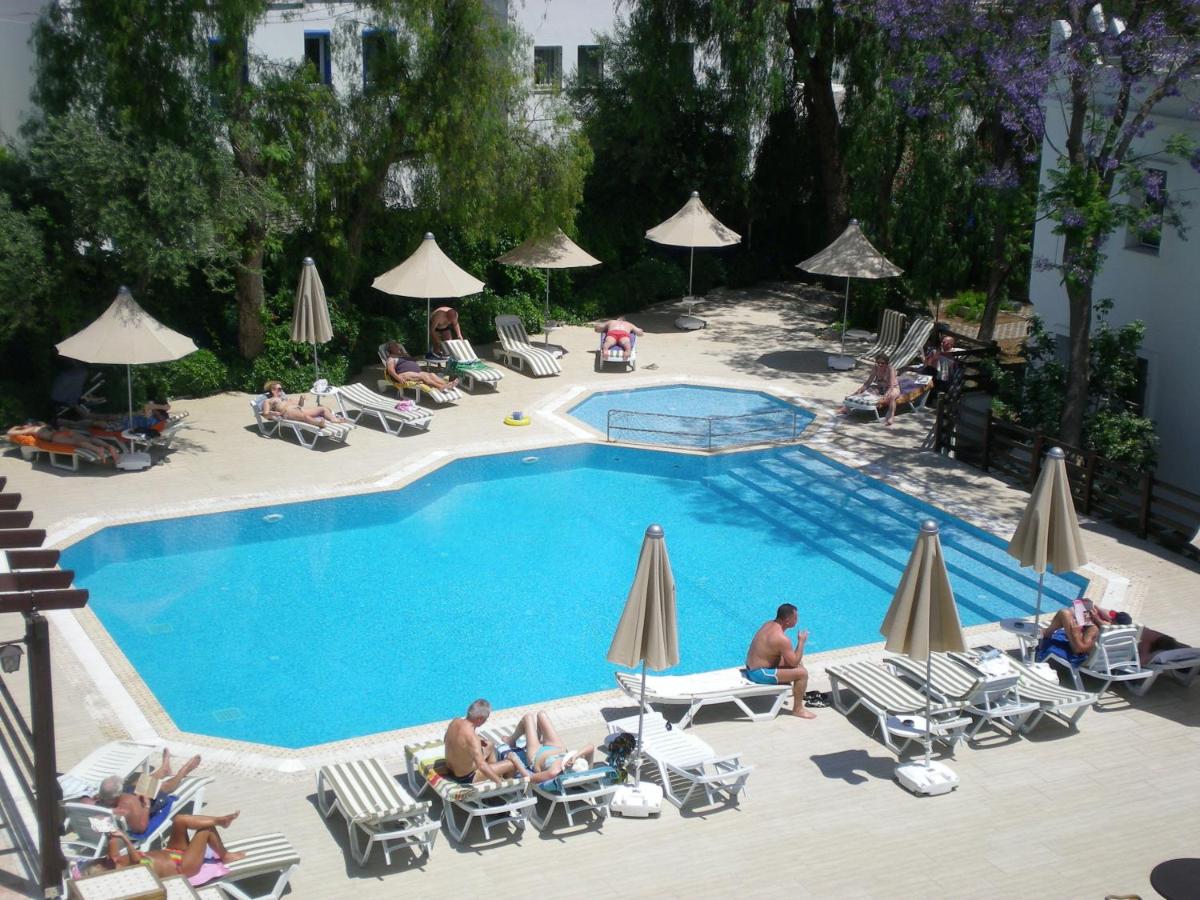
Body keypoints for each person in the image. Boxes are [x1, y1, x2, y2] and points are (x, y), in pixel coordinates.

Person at [90, 811, 245, 883]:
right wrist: (124, 838)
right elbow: (137, 860)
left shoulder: (114, 860)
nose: (110, 858)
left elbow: (112, 840)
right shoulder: (127, 872)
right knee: (206, 830)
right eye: (106, 863)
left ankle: (220, 820)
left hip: (172, 852)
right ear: (110, 873)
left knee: (179, 819)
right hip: (183, 866)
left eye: (103, 860)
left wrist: (105, 826)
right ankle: (225, 855)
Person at [96, 749, 203, 835]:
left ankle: (163, 770)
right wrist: (146, 805)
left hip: (128, 797)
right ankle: (183, 771)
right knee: (164, 787)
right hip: (142, 803)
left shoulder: (97, 802)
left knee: (138, 783)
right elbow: (141, 829)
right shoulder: (127, 808)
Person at [744, 603, 816, 719]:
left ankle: (798, 692)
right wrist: (801, 641)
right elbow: (793, 662)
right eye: (795, 618)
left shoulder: (768, 624)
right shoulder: (781, 638)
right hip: (759, 674)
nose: (797, 620)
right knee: (802, 673)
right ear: (787, 621)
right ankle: (798, 709)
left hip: (751, 666)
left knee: (798, 663)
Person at [502, 710, 595, 785]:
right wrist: (576, 756)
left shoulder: (553, 772)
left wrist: (515, 760)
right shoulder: (585, 770)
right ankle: (537, 738)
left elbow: (530, 778)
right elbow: (591, 746)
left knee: (528, 718)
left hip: (536, 754)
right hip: (557, 748)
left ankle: (512, 740)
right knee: (541, 715)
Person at [442, 699, 520, 785]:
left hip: (450, 769)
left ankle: (494, 773)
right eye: (486, 719)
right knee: (512, 764)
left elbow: (446, 740)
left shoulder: (455, 721)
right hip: (464, 777)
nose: (485, 721)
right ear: (480, 719)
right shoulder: (472, 738)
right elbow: (481, 765)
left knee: (489, 744)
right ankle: (502, 786)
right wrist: (500, 783)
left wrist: (470, 745)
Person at [1034, 600, 1127, 666]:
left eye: (1112, 619)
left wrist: (1076, 633)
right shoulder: (1120, 635)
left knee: (1064, 613)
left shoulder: (1098, 631)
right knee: (1078, 608)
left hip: (1078, 652)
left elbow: (1079, 649)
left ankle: (1047, 633)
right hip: (1094, 654)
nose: (1110, 619)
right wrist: (1095, 618)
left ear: (1114, 622)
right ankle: (1047, 632)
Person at [7, 421, 121, 464]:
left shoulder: (32, 429)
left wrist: (16, 427)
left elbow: (10, 433)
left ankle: (98, 449)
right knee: (89, 439)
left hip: (56, 436)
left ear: (28, 425)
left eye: (24, 425)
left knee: (79, 443)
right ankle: (108, 446)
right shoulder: (43, 424)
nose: (24, 427)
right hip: (64, 430)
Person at [260, 381, 349, 427]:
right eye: (279, 389)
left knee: (323, 409)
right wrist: (273, 414)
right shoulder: (268, 401)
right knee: (305, 416)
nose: (281, 391)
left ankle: (334, 419)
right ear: (273, 390)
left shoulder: (285, 399)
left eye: (281, 389)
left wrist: (301, 399)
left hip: (300, 409)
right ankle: (318, 423)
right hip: (288, 412)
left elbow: (300, 405)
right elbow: (265, 414)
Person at [846, 354, 901, 426]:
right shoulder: (875, 368)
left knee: (892, 396)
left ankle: (890, 415)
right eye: (878, 362)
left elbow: (891, 386)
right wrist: (860, 390)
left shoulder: (891, 369)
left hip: (893, 388)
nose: (880, 365)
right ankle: (847, 407)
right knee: (866, 391)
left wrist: (885, 396)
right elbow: (869, 382)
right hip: (880, 387)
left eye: (882, 363)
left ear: (887, 363)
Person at [383, 341, 460, 392]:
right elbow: (390, 370)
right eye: (394, 346)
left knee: (431, 374)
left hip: (416, 372)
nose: (397, 346)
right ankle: (440, 387)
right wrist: (398, 378)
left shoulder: (403, 355)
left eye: (397, 345)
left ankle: (447, 384)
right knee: (423, 376)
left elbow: (413, 359)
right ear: (390, 349)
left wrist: (403, 351)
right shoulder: (391, 358)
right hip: (403, 374)